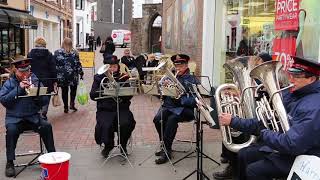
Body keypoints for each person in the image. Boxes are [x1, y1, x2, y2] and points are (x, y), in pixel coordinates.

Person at [217, 56, 320, 180]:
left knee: (254, 171)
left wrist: (263, 133)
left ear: (312, 79)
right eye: (291, 74)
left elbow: (293, 144)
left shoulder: (313, 106)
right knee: (244, 155)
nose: (291, 79)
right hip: (286, 147)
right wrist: (234, 121)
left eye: (297, 76)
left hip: (304, 156)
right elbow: (266, 121)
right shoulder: (293, 94)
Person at [0, 57, 56, 177]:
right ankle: (10, 162)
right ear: (15, 71)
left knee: (46, 126)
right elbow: (4, 101)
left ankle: (52, 157)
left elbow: (45, 100)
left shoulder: (35, 80)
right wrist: (19, 89)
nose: (25, 74)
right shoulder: (9, 83)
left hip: (32, 117)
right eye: (22, 72)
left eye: (27, 71)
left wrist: (36, 94)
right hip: (15, 118)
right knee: (11, 131)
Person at [153, 54, 199, 164]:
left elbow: (196, 100)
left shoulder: (192, 79)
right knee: (157, 119)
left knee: (171, 120)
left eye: (181, 64)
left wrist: (181, 99)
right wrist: (161, 91)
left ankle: (167, 150)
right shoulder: (170, 77)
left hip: (185, 109)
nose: (178, 67)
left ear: (186, 65)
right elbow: (164, 96)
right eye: (176, 65)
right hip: (169, 107)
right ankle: (164, 143)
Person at [90, 55, 136, 157]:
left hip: (121, 108)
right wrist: (105, 91)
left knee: (126, 123)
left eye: (114, 67)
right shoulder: (99, 78)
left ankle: (122, 145)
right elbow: (92, 95)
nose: (112, 69)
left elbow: (129, 95)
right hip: (105, 109)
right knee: (105, 125)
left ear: (118, 67)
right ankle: (108, 146)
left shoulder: (123, 77)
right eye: (109, 67)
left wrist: (121, 93)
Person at [27, 37, 57, 118]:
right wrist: (55, 80)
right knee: (46, 95)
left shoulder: (30, 54)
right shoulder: (49, 54)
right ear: (44, 45)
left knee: (35, 95)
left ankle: (37, 112)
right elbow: (53, 68)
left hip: (34, 79)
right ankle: (43, 112)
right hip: (47, 79)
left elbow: (28, 67)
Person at [54, 38, 84, 113]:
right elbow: (78, 64)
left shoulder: (57, 52)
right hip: (73, 75)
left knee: (64, 91)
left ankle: (65, 107)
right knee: (73, 90)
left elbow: (54, 64)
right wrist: (81, 72)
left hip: (62, 76)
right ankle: (72, 104)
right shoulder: (75, 52)